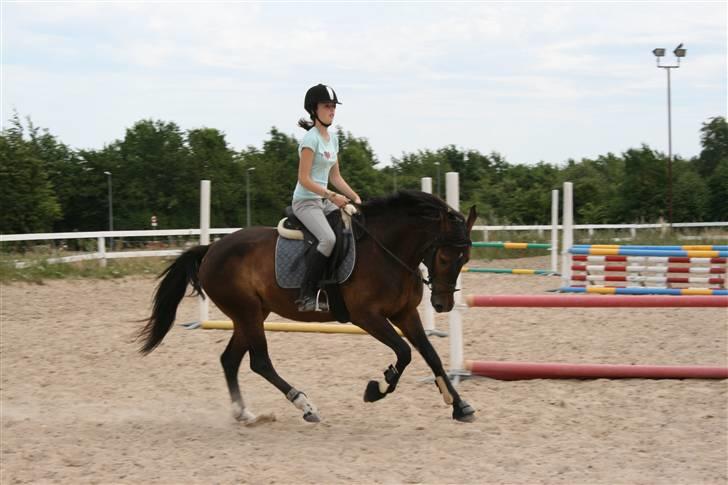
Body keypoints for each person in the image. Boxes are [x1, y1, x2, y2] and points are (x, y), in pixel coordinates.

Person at [292, 83, 361, 312]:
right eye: (327, 106)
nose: (332, 110)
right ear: (314, 109)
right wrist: (333, 196)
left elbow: (336, 176)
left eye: (333, 107)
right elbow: (304, 179)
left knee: (352, 230)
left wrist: (355, 198)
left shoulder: (333, 139)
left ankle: (334, 287)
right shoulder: (310, 140)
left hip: (323, 201)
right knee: (328, 240)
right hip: (305, 202)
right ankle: (307, 294)